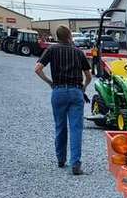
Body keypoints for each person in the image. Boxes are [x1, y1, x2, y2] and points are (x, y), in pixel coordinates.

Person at [35, 25, 92, 175]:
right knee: (76, 128)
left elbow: (37, 69)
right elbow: (88, 76)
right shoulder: (78, 52)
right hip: (76, 92)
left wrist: (50, 82)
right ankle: (76, 164)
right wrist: (84, 87)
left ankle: (61, 159)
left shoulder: (51, 50)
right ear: (69, 36)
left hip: (58, 91)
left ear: (57, 37)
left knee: (60, 126)